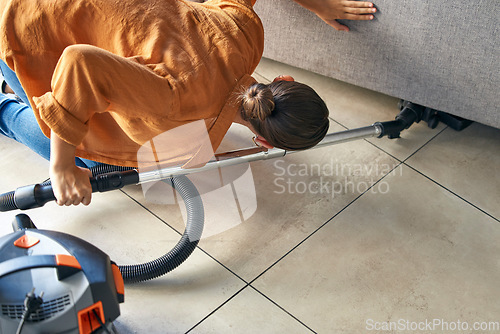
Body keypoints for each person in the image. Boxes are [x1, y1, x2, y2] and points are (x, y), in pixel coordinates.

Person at [0, 0, 375, 207]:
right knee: (92, 161)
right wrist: (62, 167)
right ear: (265, 142)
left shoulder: (247, 34)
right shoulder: (179, 106)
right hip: (23, 17)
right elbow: (78, 62)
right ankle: (5, 110)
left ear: (283, 81)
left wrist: (318, 4)